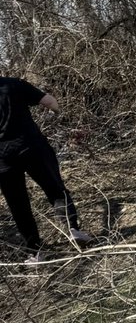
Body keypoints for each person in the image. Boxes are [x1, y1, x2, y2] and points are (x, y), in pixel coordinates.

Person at [0, 77, 92, 262]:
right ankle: (73, 230)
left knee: (18, 205)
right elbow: (49, 101)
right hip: (32, 147)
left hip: (3, 160)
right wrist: (57, 112)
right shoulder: (14, 84)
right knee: (54, 188)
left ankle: (36, 251)